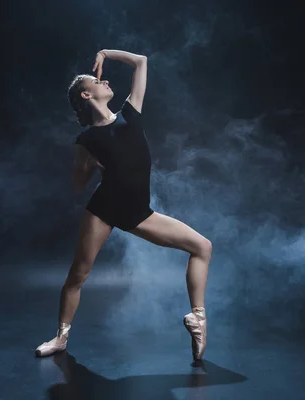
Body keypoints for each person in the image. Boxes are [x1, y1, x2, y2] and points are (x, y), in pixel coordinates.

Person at [36, 49, 212, 360]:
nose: (104, 80)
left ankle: (198, 319)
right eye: (97, 81)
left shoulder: (130, 114)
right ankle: (61, 337)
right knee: (78, 275)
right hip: (103, 210)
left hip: (138, 213)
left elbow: (141, 61)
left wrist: (105, 53)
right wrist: (88, 166)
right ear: (87, 94)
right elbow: (77, 186)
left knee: (202, 247)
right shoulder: (86, 140)